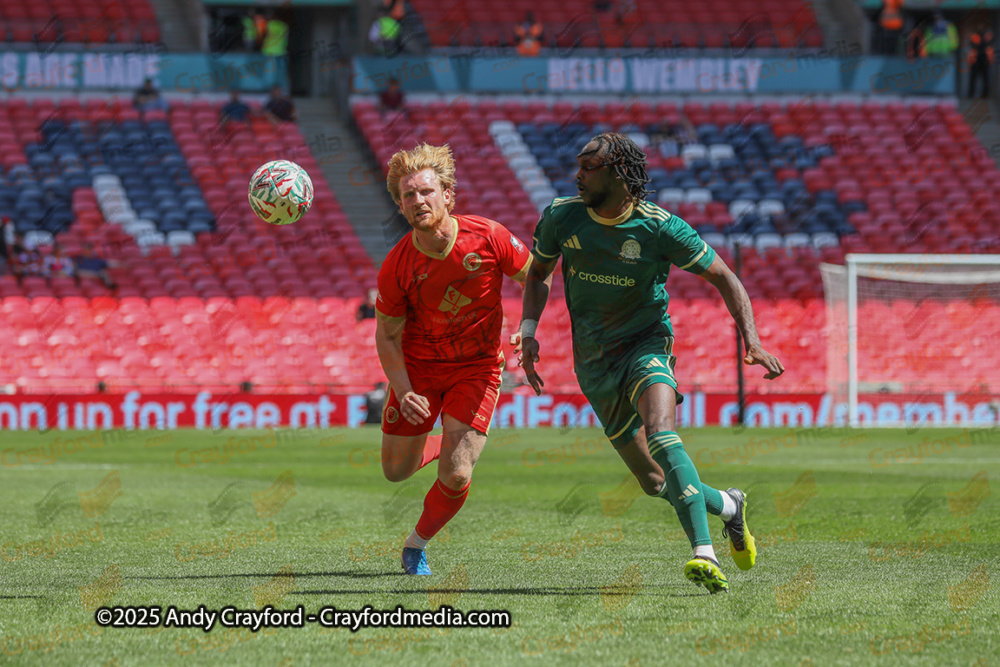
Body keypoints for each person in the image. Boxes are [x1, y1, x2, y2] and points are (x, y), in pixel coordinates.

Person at [516, 133, 785, 594]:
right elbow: (538, 273)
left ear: (619, 174)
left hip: (646, 345)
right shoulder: (561, 216)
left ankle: (704, 552)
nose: (577, 176)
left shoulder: (660, 228)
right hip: (593, 364)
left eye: (588, 168)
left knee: (662, 433)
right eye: (578, 166)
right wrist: (527, 331)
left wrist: (753, 341)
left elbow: (725, 276)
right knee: (654, 481)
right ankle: (729, 506)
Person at [375, 143, 531, 575]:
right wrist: (404, 390)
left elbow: (535, 275)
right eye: (408, 195)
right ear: (400, 206)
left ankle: (416, 545)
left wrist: (529, 324)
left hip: (476, 368)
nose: (418, 200)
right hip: (419, 370)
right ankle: (439, 441)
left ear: (447, 195)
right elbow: (386, 335)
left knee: (457, 473)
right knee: (396, 471)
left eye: (426, 191)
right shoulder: (397, 266)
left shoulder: (489, 236)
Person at [967, 28, 994, 98]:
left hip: (984, 62)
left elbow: (990, 53)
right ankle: (971, 94)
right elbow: (972, 45)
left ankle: (985, 94)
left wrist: (990, 61)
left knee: (985, 79)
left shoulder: (989, 43)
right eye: (988, 35)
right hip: (976, 62)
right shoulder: (977, 39)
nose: (989, 37)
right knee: (973, 78)